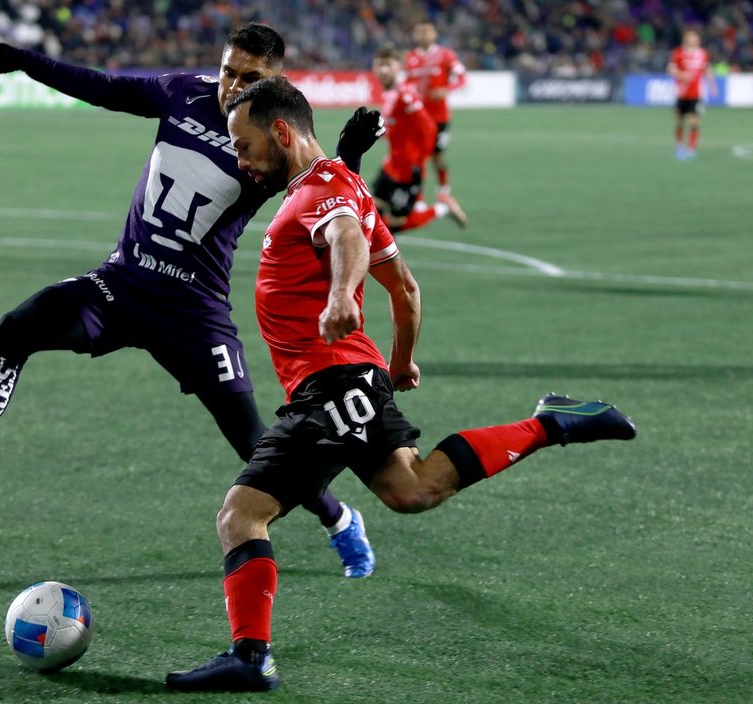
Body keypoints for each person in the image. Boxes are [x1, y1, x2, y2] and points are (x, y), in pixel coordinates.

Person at [165, 76, 637, 692]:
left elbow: (345, 238)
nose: (240, 157)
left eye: (245, 143)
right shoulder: (348, 185)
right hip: (355, 377)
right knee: (412, 488)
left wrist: (340, 295)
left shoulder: (321, 195)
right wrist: (399, 364)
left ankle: (251, 658)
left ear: (281, 132)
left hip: (326, 384)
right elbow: (406, 291)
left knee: (241, 515)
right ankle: (554, 422)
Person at [0, 24, 385, 579]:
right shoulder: (180, 93)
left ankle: (339, 520)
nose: (232, 86)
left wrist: (349, 155)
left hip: (195, 311)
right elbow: (103, 86)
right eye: (228, 71)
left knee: (252, 442)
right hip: (121, 285)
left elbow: (324, 192)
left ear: (276, 83)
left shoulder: (272, 134)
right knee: (18, 326)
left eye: (250, 78)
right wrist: (27, 60)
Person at [371, 44, 465, 233]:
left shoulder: (406, 95)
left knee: (394, 225)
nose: (383, 70)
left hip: (407, 171)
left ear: (398, 67)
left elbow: (429, 127)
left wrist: (420, 161)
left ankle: (442, 209)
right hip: (391, 165)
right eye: (379, 65)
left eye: (388, 65)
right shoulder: (389, 93)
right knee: (374, 214)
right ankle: (383, 261)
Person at [404, 21, 466, 199]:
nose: (424, 34)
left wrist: (447, 90)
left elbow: (462, 78)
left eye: (427, 31)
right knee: (417, 158)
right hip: (417, 117)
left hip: (439, 117)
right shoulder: (410, 58)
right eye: (420, 31)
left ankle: (443, 190)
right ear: (415, 35)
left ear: (435, 34)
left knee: (437, 157)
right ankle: (419, 197)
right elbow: (407, 84)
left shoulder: (446, 55)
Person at [666, 29, 716, 161]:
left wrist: (712, 85)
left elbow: (707, 69)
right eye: (691, 38)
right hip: (681, 94)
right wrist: (681, 75)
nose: (694, 40)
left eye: (696, 38)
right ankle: (679, 147)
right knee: (680, 122)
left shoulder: (702, 54)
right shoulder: (678, 53)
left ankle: (692, 148)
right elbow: (670, 69)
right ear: (686, 39)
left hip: (696, 95)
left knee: (694, 122)